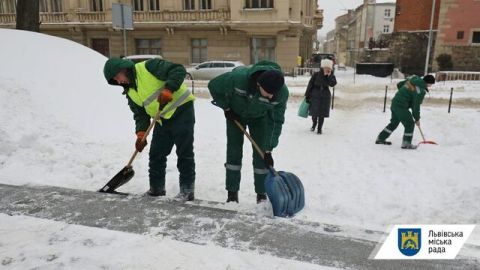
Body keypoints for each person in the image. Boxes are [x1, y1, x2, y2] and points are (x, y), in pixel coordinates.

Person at [103, 57, 196, 200]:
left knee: (184, 152)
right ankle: (156, 189)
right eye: (115, 80)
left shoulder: (148, 67)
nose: (118, 81)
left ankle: (187, 190)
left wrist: (168, 88)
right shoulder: (130, 92)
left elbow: (177, 70)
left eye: (117, 77)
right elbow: (140, 115)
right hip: (162, 119)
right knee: (156, 154)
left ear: (123, 70)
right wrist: (141, 134)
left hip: (181, 111)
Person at [208, 61, 289, 204]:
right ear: (259, 85)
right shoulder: (238, 78)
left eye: (273, 94)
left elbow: (276, 121)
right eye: (268, 93)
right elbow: (213, 86)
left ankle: (261, 194)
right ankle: (232, 193)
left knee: (261, 155)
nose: (271, 97)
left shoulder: (281, 93)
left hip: (260, 118)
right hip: (235, 115)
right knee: (234, 152)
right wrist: (226, 108)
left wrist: (269, 149)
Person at [376, 75, 436, 149]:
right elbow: (416, 106)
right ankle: (406, 143)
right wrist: (417, 118)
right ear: (428, 83)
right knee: (410, 123)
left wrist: (404, 94)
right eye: (431, 84)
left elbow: (399, 84)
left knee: (394, 123)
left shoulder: (414, 79)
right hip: (401, 106)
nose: (431, 86)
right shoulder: (420, 91)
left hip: (395, 102)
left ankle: (381, 138)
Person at [304, 59, 337, 134]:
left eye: (329, 68)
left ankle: (319, 128)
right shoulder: (316, 74)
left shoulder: (331, 75)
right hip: (315, 94)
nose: (327, 69)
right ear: (322, 67)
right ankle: (314, 124)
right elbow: (310, 84)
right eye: (325, 67)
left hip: (325, 96)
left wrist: (329, 76)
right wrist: (307, 95)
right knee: (314, 113)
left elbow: (333, 84)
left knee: (322, 114)